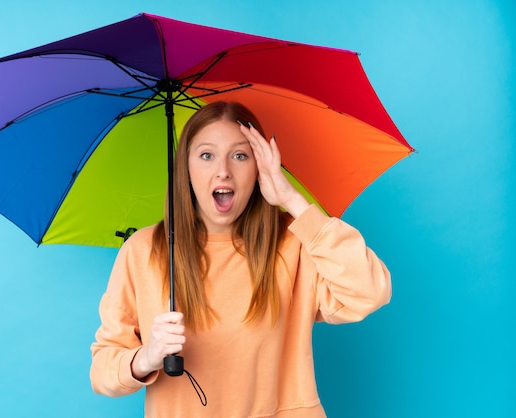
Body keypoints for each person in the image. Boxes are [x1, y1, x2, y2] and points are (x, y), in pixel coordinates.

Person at [90, 101, 391, 417]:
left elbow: (371, 291)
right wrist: (147, 358)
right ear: (185, 169)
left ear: (259, 166)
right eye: (206, 155)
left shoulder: (295, 241)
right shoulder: (143, 250)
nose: (223, 171)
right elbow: (102, 370)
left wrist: (292, 200)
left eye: (240, 155)